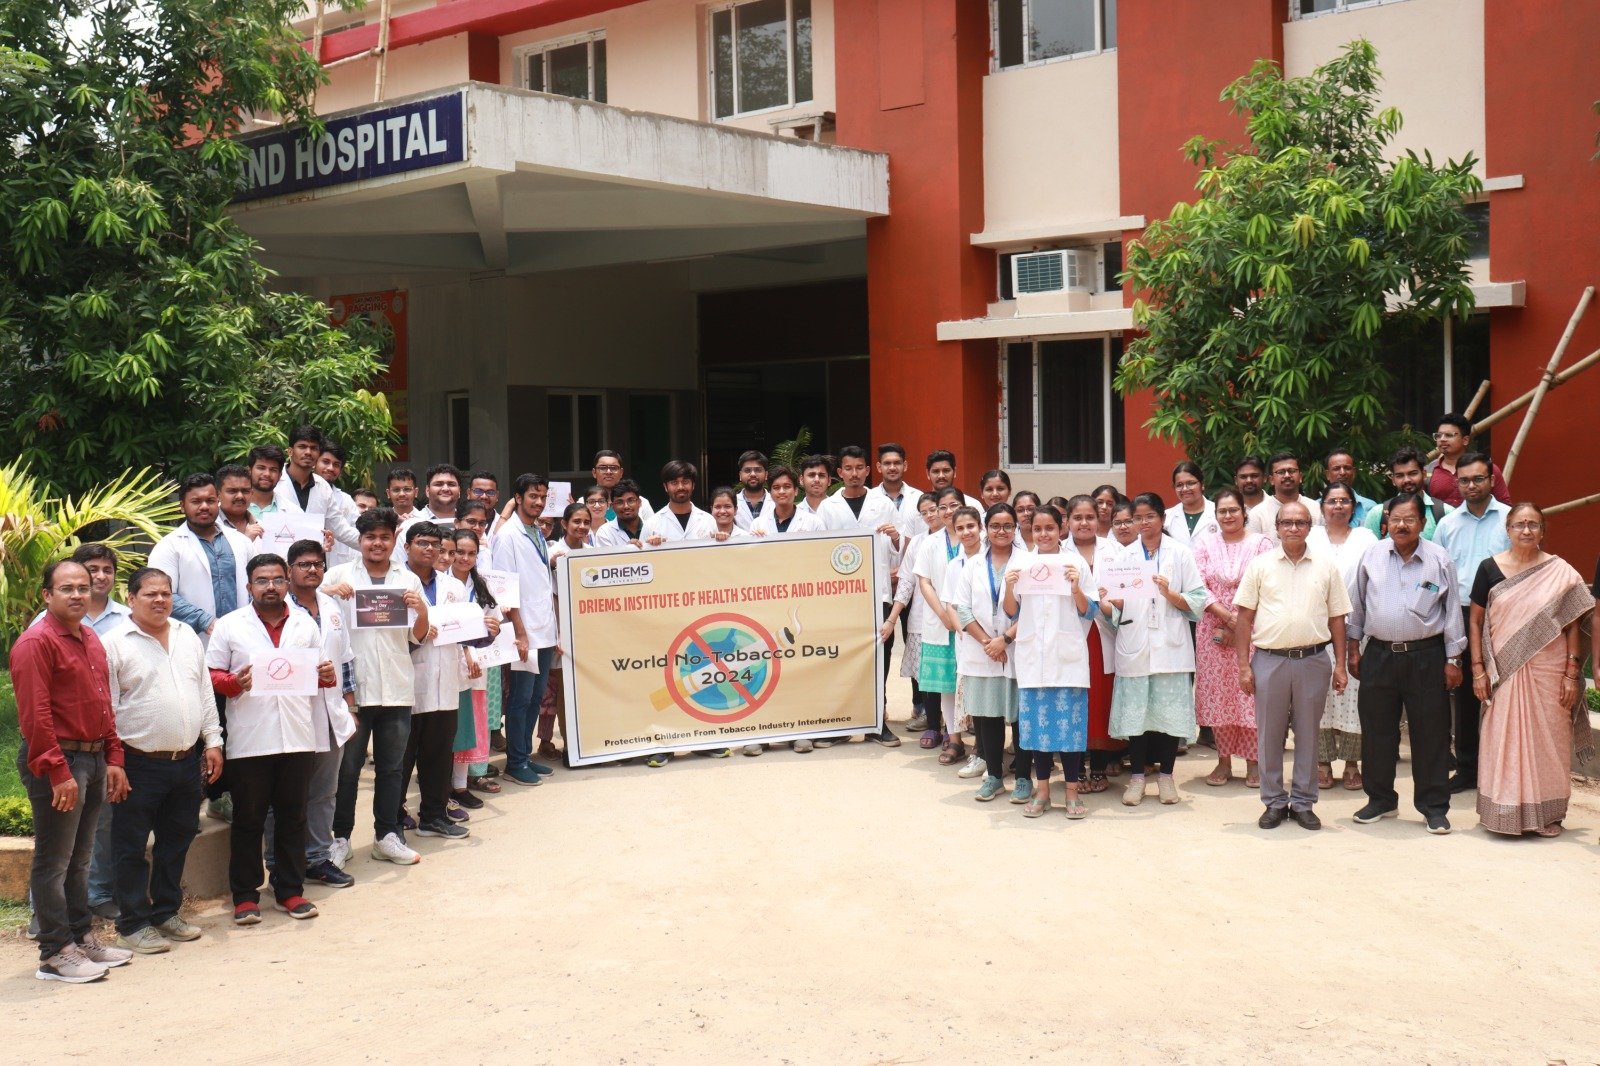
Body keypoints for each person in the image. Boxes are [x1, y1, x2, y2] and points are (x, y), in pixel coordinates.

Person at [13, 559, 132, 983]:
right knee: (55, 861)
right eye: (67, 588)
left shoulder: (90, 638)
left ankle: (81, 938)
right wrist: (57, 770)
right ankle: (54, 951)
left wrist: (113, 757)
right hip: (60, 761)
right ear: (48, 594)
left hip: (94, 757)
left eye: (83, 587)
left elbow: (104, 704)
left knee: (81, 860)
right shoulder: (36, 643)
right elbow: (35, 715)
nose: (78, 594)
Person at [102, 568, 221, 953]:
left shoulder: (187, 635)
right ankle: (133, 923)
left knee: (178, 838)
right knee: (131, 845)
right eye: (150, 594)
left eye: (166, 594)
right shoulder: (114, 643)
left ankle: (166, 912)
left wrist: (214, 741)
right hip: (137, 763)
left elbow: (204, 690)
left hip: (186, 761)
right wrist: (113, 760)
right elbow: (108, 707)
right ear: (131, 598)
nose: (160, 601)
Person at [206, 553, 330, 924]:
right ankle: (245, 896)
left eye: (277, 579)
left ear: (287, 583)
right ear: (249, 587)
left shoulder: (305, 623)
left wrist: (325, 673)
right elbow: (210, 675)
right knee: (249, 819)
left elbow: (322, 672)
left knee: (294, 817)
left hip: (297, 736)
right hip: (250, 739)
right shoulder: (230, 626)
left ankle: (289, 891)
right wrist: (233, 683)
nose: (271, 586)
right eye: (262, 580)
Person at [1469, 504, 1593, 837]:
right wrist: (1478, 669)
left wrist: (1571, 672)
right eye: (1520, 524)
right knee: (1502, 738)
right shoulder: (1489, 569)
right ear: (1507, 529)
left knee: (1549, 741)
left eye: (1534, 525)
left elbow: (1572, 625)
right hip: (1504, 673)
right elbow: (1477, 620)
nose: (1526, 530)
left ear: (1543, 531)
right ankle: (1503, 810)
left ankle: (1548, 814)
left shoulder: (1561, 572)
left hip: (1550, 672)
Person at [1346, 494, 1466, 834]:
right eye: (1396, 519)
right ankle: (1381, 799)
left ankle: (1433, 806)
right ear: (1387, 521)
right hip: (1379, 655)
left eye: (1409, 519)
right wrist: (1353, 649)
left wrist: (1453, 658)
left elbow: (1453, 611)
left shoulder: (1439, 560)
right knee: (1377, 730)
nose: (1402, 525)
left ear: (1422, 523)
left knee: (1431, 733)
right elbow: (1357, 605)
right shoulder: (1371, 556)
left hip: (1427, 657)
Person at [1233, 502, 1351, 831]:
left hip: (1313, 660)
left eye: (1300, 522)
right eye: (1287, 522)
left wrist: (1340, 664)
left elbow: (1337, 618)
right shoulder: (1260, 566)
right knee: (1269, 735)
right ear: (1277, 526)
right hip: (1269, 661)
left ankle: (1302, 802)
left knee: (1309, 734)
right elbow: (1244, 617)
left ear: (1310, 526)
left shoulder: (1326, 566)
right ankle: (1273, 801)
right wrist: (1244, 666)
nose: (1294, 528)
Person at [323, 507, 431, 866]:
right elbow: (311, 613)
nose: (377, 543)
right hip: (354, 691)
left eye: (385, 537)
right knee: (348, 770)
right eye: (370, 537)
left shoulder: (407, 579)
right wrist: (326, 590)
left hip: (397, 687)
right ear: (360, 540)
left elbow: (417, 637)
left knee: (392, 768)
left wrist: (422, 611)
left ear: (393, 540)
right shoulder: (339, 575)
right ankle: (340, 838)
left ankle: (387, 835)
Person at [148, 472, 255, 824]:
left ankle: (224, 794)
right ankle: (197, 800)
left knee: (232, 721)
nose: (205, 506)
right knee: (199, 722)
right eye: (197, 501)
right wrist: (207, 620)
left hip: (239, 648)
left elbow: (256, 585)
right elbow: (164, 594)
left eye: (210, 499)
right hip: (192, 646)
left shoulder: (240, 541)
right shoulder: (170, 546)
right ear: (183, 505)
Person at [1104, 493, 1205, 807]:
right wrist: (1112, 603)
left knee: (1169, 717)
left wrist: (1169, 593)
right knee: (1138, 717)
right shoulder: (1124, 557)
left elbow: (1198, 602)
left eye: (1149, 516)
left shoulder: (1180, 553)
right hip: (1135, 643)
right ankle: (1136, 778)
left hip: (1170, 645)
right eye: (1138, 517)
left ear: (1162, 518)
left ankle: (1166, 778)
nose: (1143, 523)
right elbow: (1115, 610)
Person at [1003, 503, 1098, 818]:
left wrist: (1075, 589)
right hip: (1033, 660)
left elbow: (1091, 611)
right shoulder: (1022, 563)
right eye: (1038, 529)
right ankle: (1042, 791)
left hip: (1067, 659)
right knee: (1036, 734)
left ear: (1062, 529)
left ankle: (1071, 793)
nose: (1044, 534)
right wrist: (1009, 586)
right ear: (1031, 531)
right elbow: (1010, 611)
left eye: (1050, 528)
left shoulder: (1075, 563)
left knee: (1070, 732)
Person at [1433, 451, 1511, 794]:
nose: (1471, 485)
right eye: (1464, 480)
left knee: (1506, 692)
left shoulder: (1511, 519)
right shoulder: (1447, 524)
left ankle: (1504, 768)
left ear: (1492, 480)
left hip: (1506, 615)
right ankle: (1467, 768)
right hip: (1462, 615)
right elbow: (1434, 574)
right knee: (1465, 694)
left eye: (1478, 478)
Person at [280, 539, 357, 888]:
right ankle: (281, 861)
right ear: (289, 569)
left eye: (317, 564)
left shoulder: (332, 606)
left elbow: (346, 660)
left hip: (331, 712)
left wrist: (350, 705)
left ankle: (318, 858)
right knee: (286, 793)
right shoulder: (277, 609)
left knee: (325, 791)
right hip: (291, 716)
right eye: (303, 564)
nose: (312, 569)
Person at [819, 445, 906, 747]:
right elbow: (819, 553)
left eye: (860, 468)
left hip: (879, 593)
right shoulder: (828, 508)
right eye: (848, 469)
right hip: (842, 600)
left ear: (868, 471)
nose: (854, 474)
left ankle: (877, 723)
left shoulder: (883, 504)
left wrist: (896, 538)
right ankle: (843, 724)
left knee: (879, 656)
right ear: (839, 473)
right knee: (845, 658)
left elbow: (899, 549)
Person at [395, 522, 473, 841]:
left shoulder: (452, 586)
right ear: (407, 546)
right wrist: (418, 636)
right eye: (422, 543)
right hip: (406, 680)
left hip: (445, 680)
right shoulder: (395, 583)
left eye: (435, 545)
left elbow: (464, 631)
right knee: (402, 755)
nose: (429, 549)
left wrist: (485, 631)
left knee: (440, 754)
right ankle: (392, 817)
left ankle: (433, 816)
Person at [1192, 488, 1273, 787]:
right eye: (1222, 511)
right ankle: (1223, 762)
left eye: (1233, 510)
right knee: (1221, 696)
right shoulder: (1204, 544)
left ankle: (1254, 763)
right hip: (1212, 629)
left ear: (1244, 512)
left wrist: (1239, 626)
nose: (1228, 516)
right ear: (1216, 516)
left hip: (1253, 629)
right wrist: (1226, 620)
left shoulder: (1261, 544)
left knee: (1249, 694)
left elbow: (1267, 585)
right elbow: (1197, 585)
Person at [1306, 483, 1378, 790]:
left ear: (1353, 506)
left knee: (1354, 695)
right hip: (1314, 629)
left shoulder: (1365, 538)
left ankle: (1351, 763)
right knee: (1317, 695)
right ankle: (1321, 762)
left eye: (1344, 501)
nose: (1338, 506)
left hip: (1354, 628)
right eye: (1332, 501)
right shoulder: (1310, 537)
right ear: (1322, 507)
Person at [491, 474, 560, 785]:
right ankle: (515, 763)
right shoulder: (507, 536)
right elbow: (505, 589)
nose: (539, 501)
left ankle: (526, 756)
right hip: (525, 632)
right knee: (520, 698)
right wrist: (519, 631)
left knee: (534, 698)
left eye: (543, 496)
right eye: (533, 495)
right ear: (517, 498)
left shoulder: (536, 531)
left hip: (543, 630)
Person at [1065, 495, 1123, 791]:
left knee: (1100, 700)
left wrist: (1109, 597)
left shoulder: (1115, 550)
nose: (1084, 523)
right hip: (1071, 634)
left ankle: (1098, 769)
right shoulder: (1056, 552)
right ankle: (1076, 771)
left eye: (1089, 517)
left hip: (1104, 634)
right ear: (1068, 521)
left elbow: (1127, 592)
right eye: (1078, 518)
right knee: (1075, 700)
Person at [881, 493, 940, 741]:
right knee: (925, 673)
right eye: (924, 512)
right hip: (920, 616)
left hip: (952, 618)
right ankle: (933, 723)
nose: (929, 515)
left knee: (951, 675)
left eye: (933, 509)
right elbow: (906, 582)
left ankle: (958, 723)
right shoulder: (916, 542)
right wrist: (893, 618)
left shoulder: (961, 538)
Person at [451, 529, 507, 791]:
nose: (465, 558)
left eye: (471, 553)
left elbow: (495, 619)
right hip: (450, 662)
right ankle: (450, 781)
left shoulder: (482, 584)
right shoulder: (441, 584)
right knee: (452, 722)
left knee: (476, 719)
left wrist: (493, 627)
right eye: (459, 552)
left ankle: (475, 773)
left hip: (479, 663)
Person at [275, 425, 360, 552]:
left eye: (314, 448)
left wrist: (372, 543)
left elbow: (341, 529)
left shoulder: (323, 486)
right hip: (275, 561)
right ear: (290, 451)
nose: (308, 452)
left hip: (312, 564)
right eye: (302, 446)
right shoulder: (274, 481)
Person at [1363, 447, 1453, 540]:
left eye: (1413, 473)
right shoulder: (1378, 514)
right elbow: (1370, 551)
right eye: (1400, 475)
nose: (1407, 480)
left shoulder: (1445, 513)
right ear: (1393, 480)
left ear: (1424, 474)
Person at [1427, 413, 1510, 508]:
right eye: (1438, 435)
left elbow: (1504, 505)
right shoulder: (1429, 471)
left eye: (1449, 435)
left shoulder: (1487, 468)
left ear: (1465, 440)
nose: (1442, 439)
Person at [1246, 451, 1323, 543]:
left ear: (1301, 477)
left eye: (1292, 471)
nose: (1287, 475)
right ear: (1271, 480)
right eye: (1281, 472)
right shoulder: (1258, 514)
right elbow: (1252, 550)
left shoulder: (1316, 508)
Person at [642, 461, 716, 544]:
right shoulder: (652, 524)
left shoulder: (708, 520)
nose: (680, 487)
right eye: (674, 483)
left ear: (693, 485)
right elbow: (640, 556)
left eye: (685, 482)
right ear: (665, 487)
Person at [750, 465, 825, 538]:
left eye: (787, 487)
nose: (781, 491)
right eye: (776, 488)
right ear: (770, 493)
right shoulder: (758, 524)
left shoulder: (814, 523)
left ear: (796, 491)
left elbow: (822, 549)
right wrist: (757, 539)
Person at [870, 442, 926, 538]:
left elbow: (925, 534)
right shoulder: (869, 498)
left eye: (897, 463)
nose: (892, 468)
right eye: (887, 463)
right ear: (879, 467)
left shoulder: (918, 497)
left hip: (914, 553)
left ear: (905, 466)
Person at [1164, 461, 1220, 548]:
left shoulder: (1219, 512)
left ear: (1202, 485)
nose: (1185, 489)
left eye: (1190, 483)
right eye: (1179, 485)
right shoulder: (1166, 517)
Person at [590, 450, 655, 522]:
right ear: (594, 472)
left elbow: (652, 530)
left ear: (621, 473)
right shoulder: (584, 502)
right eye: (603, 468)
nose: (608, 472)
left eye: (613, 468)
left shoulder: (641, 502)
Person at [1324, 448, 1378, 528]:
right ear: (1327, 474)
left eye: (1347, 468)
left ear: (1354, 473)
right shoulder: (1315, 507)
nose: (1342, 473)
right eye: (1336, 468)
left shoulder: (1370, 507)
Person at [592, 479, 648, 548]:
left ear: (639, 503)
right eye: (620, 502)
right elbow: (607, 559)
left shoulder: (652, 527)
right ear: (612, 507)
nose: (626, 506)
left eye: (631, 500)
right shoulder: (604, 532)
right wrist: (627, 549)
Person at [216, 464, 264, 541]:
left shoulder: (263, 526)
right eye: (232, 491)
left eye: (245, 491)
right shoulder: (208, 526)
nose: (240, 496)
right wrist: (246, 540)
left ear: (252, 493)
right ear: (218, 494)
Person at [245, 444, 285, 516]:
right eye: (261, 468)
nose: (267, 474)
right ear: (249, 471)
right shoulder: (227, 509)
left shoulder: (294, 511)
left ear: (280, 475)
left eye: (273, 470)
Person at [733, 451, 769, 530]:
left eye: (758, 470)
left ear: (766, 475)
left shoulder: (775, 502)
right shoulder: (731, 503)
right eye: (747, 470)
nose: (753, 474)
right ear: (740, 475)